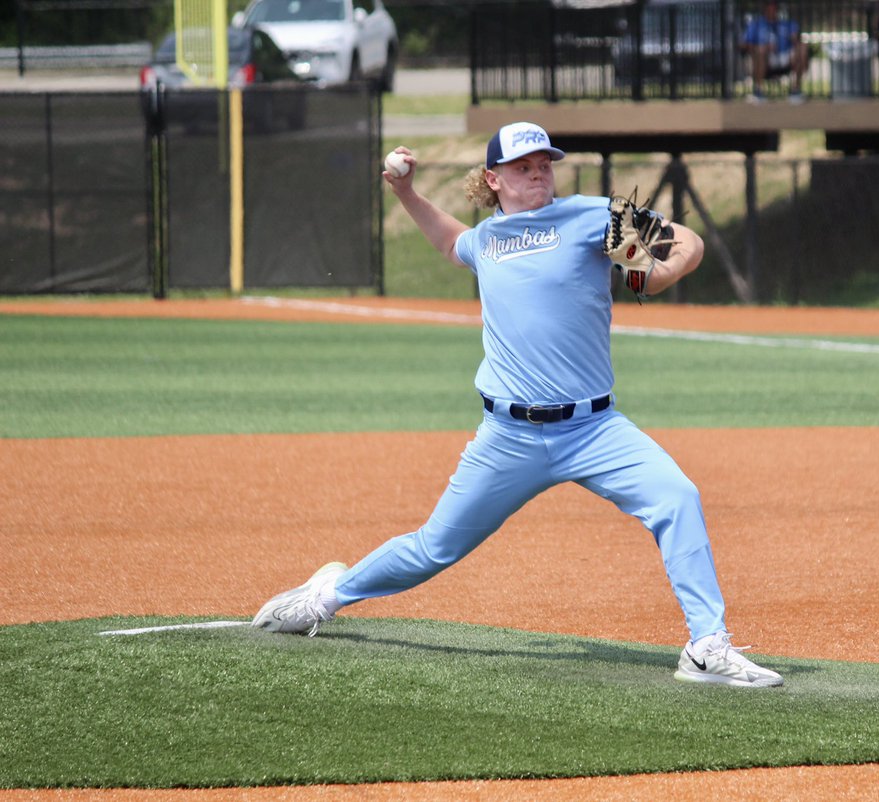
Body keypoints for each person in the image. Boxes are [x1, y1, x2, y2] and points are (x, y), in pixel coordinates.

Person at [251, 121, 784, 689]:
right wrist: (406, 194)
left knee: (677, 497)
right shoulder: (487, 238)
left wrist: (657, 272)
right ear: (494, 179)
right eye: (524, 167)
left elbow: (687, 242)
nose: (538, 174)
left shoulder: (590, 216)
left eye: (545, 164)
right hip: (510, 438)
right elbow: (449, 242)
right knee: (435, 547)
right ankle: (327, 595)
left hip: (595, 430)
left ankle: (705, 646)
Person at [742, 0, 809, 102]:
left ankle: (796, 90)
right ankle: (758, 91)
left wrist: (794, 39)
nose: (772, 8)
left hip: (785, 56)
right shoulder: (756, 25)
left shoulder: (788, 24)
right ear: (765, 8)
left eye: (774, 6)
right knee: (760, 51)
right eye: (769, 5)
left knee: (802, 47)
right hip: (766, 58)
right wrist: (763, 47)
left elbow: (797, 41)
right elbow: (744, 45)